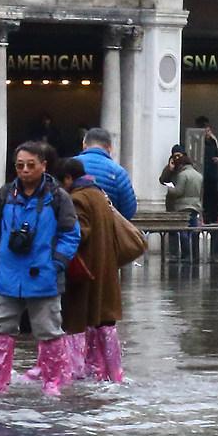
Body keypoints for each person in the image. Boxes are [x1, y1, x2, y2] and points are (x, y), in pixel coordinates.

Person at [0, 141, 84, 396]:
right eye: (19, 165)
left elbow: (71, 234)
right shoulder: (5, 195)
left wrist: (57, 263)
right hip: (8, 275)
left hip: (44, 276)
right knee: (1, 326)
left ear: (43, 165)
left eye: (30, 165)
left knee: (48, 329)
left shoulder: (58, 197)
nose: (24, 170)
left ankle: (53, 380)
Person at [57, 157, 148, 385]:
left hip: (85, 271)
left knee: (76, 322)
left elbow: (80, 234)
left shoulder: (76, 199)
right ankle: (111, 372)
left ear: (68, 179)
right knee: (104, 323)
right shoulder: (99, 195)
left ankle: (75, 373)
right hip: (105, 269)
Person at [75, 127, 137, 219]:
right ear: (109, 148)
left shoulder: (70, 165)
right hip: (106, 228)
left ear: (84, 145)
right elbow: (129, 209)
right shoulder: (118, 172)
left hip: (76, 227)